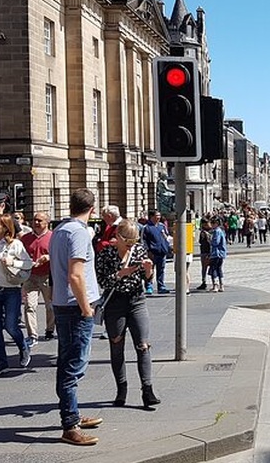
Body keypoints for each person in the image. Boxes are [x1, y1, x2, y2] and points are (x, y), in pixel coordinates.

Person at [49, 188, 103, 446]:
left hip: (62, 304)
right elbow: (75, 274)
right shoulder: (79, 233)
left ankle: (73, 415)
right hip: (74, 306)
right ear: (92, 209)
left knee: (66, 362)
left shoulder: (60, 230)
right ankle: (70, 425)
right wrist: (86, 307)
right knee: (74, 366)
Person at [95, 219, 159, 408]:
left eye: (134, 241)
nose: (132, 245)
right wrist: (120, 274)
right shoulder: (106, 254)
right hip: (115, 303)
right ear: (118, 237)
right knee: (116, 345)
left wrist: (149, 271)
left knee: (143, 345)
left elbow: (147, 279)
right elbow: (102, 282)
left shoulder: (138, 251)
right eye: (128, 241)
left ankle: (147, 390)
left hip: (136, 300)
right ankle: (121, 389)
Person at [0, 213, 32, 376]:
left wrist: (13, 262)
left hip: (11, 290)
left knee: (11, 326)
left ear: (5, 227)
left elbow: (28, 263)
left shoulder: (15, 244)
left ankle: (23, 346)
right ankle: (1, 362)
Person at [21, 211, 54, 346]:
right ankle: (32, 335)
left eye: (39, 220)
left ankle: (50, 330)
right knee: (29, 305)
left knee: (50, 305)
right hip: (30, 276)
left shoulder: (53, 237)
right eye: (34, 220)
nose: (36, 223)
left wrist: (48, 257)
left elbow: (59, 255)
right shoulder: (25, 238)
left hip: (47, 275)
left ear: (47, 223)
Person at [141, 209, 171, 294]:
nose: (158, 218)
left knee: (161, 270)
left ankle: (161, 286)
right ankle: (149, 286)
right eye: (156, 216)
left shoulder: (162, 226)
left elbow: (167, 237)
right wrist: (148, 251)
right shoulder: (146, 228)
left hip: (162, 252)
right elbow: (143, 241)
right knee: (150, 270)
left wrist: (167, 247)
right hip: (152, 253)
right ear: (151, 217)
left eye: (159, 216)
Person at [208, 216, 227, 291]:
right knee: (219, 269)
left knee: (214, 269)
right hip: (221, 253)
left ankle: (215, 285)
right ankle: (221, 285)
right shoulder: (221, 231)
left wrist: (210, 240)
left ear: (216, 223)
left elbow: (216, 242)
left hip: (216, 253)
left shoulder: (217, 231)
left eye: (212, 223)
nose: (211, 225)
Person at [196, 218, 212, 290]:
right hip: (207, 252)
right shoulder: (210, 231)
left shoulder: (204, 232)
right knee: (210, 268)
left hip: (205, 252)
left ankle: (204, 282)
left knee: (204, 268)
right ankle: (211, 282)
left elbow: (202, 242)